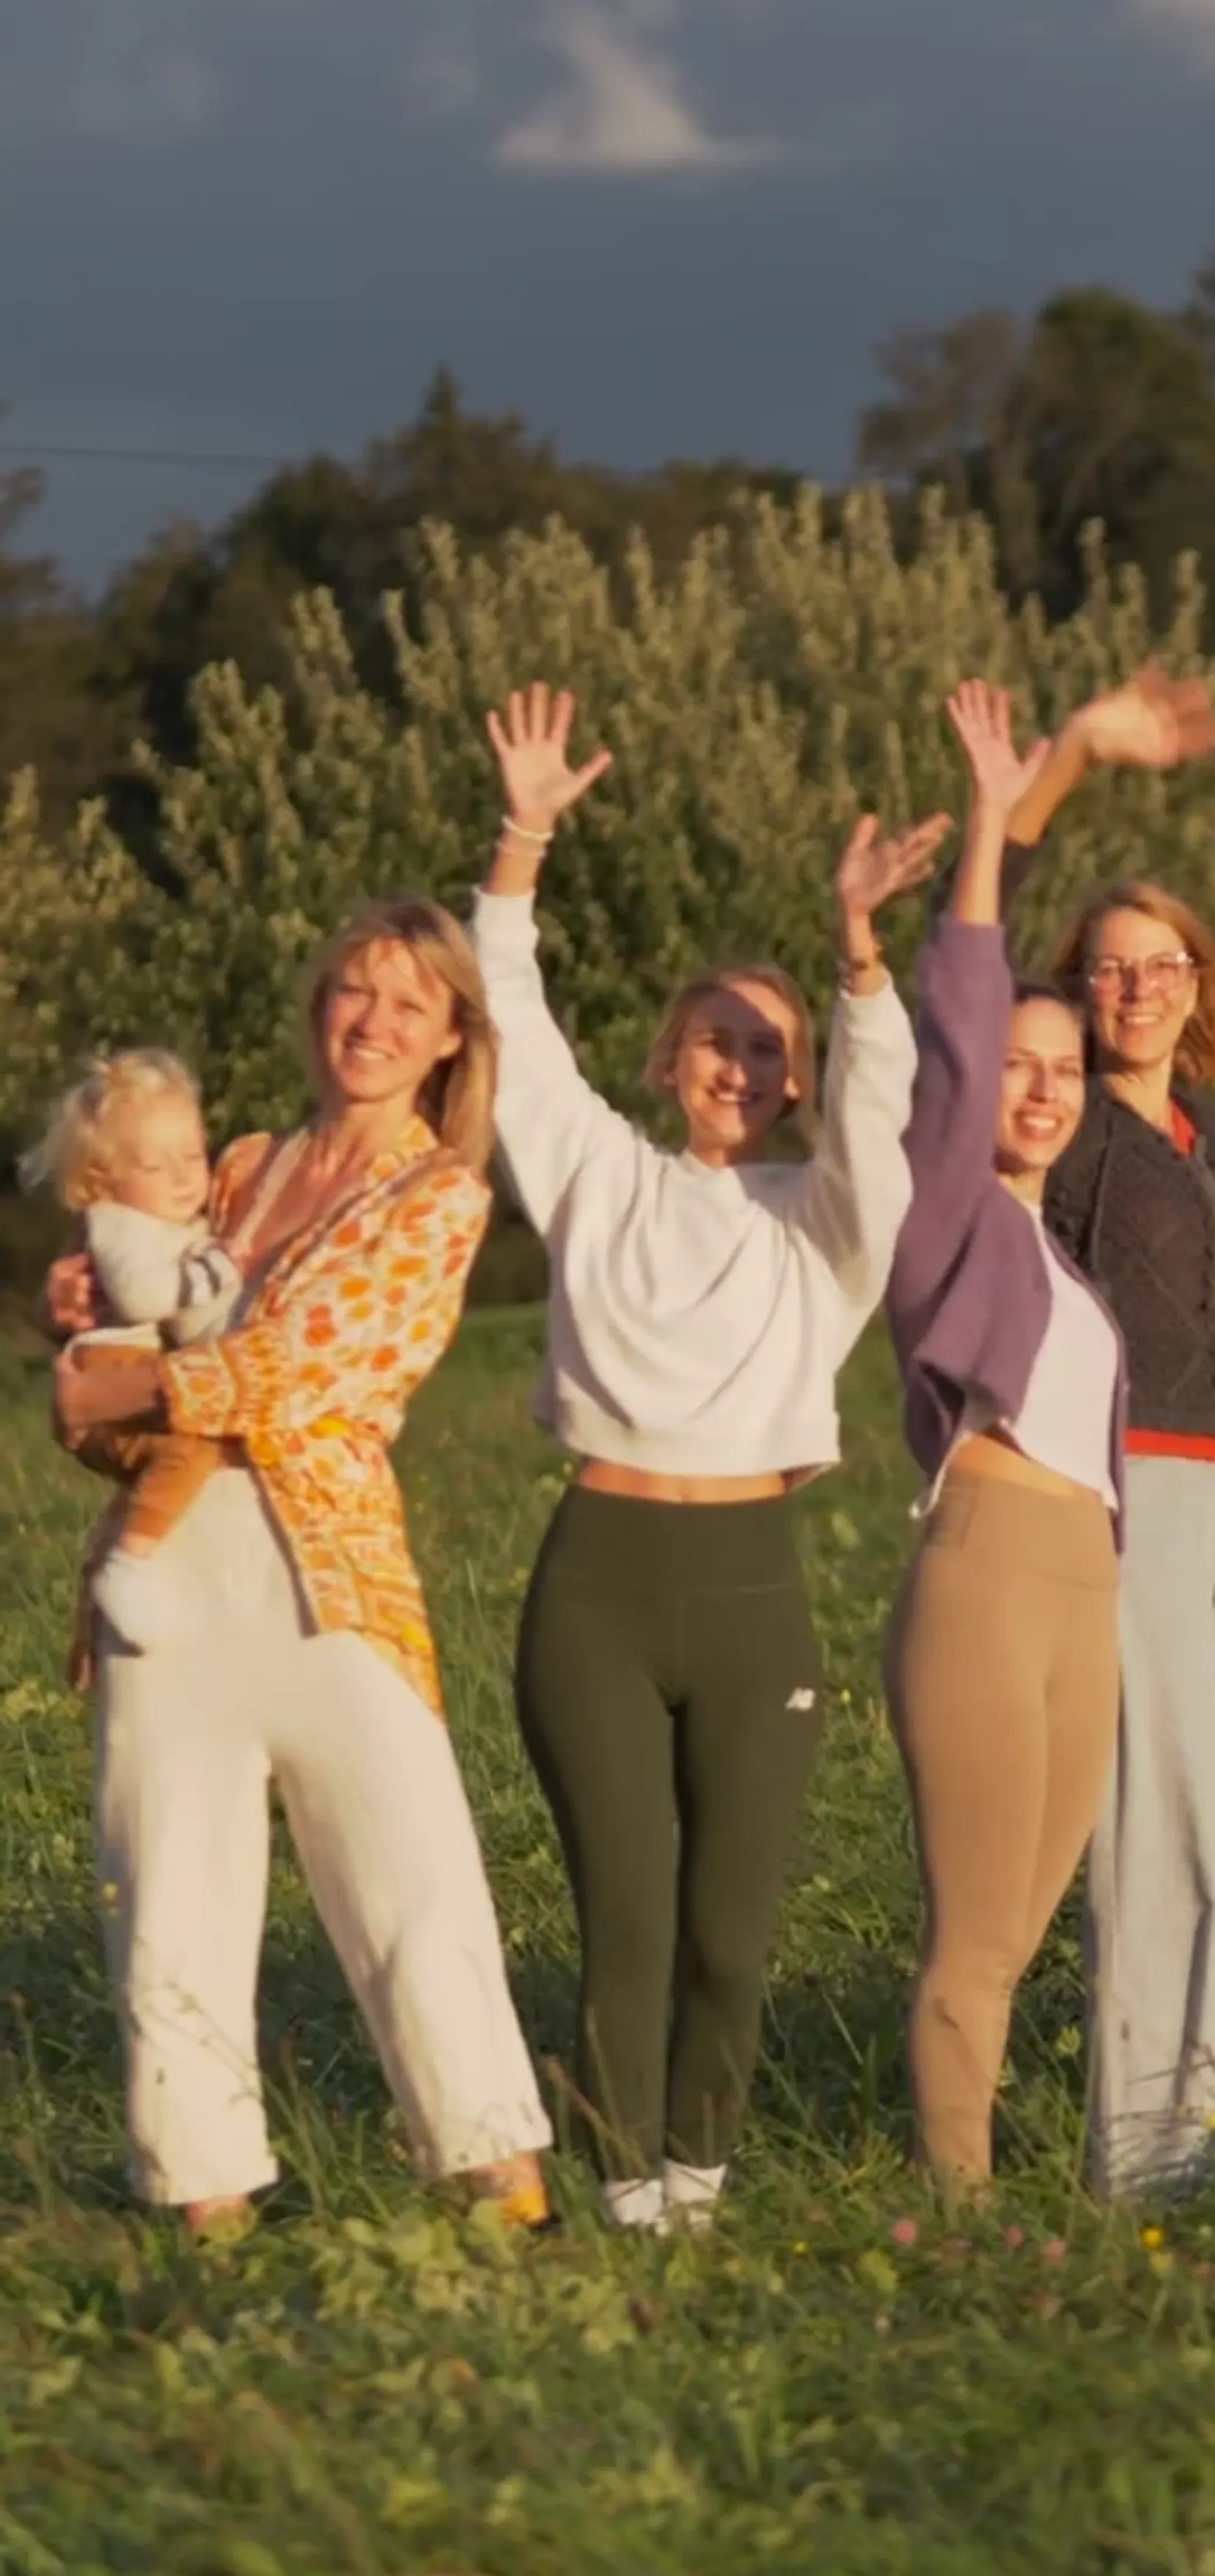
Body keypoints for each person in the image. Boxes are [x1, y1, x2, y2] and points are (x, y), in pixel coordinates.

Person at [472, 684, 945, 2232]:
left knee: (730, 1930)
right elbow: (517, 1024)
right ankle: (621, 2195)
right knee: (627, 1911)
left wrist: (860, 950)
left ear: (800, 1074)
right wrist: (522, 841)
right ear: (671, 1056)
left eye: (771, 1044)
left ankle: (701, 2179)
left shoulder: (828, 1221)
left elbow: (887, 1120)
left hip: (752, 1586)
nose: (742, 1061)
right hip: (599, 1578)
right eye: (716, 1037)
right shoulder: (600, 1176)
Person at [47, 903, 551, 2230]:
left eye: (406, 1003)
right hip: (171, 1588)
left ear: (450, 1035)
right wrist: (92, 1366)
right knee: (166, 1904)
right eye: (351, 990)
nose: (372, 1022)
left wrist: (127, 1380)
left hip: (332, 1591)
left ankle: (500, 2187)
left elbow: (308, 1371)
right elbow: (139, 1396)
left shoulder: (441, 1193)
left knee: (418, 1884)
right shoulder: (244, 1168)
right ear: (316, 1003)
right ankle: (202, 2204)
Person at [1014, 698, 1215, 2202]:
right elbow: (973, 937)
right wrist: (1073, 750)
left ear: (1201, 986)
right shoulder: (1054, 1123)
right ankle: (1138, 2160)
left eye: (1161, 963)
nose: (1134, 984)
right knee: (1158, 1821)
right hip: (1148, 1490)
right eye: (1107, 965)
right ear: (1072, 990)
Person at [882, 682, 1128, 2190]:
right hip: (982, 1570)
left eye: (1067, 1069)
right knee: (973, 1941)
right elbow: (960, 1025)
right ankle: (958, 2215)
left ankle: (970, 2191)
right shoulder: (945, 1211)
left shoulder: (1062, 1253)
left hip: (1085, 1592)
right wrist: (995, 817)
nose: (1038, 1086)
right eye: (1022, 1066)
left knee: (1021, 1936)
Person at [23, 1047, 243, 1344]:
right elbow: (143, 1297)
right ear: (102, 1182)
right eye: (154, 1167)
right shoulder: (121, 1226)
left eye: (194, 1156)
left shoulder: (166, 1220)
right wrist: (220, 1267)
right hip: (117, 1372)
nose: (182, 1177)